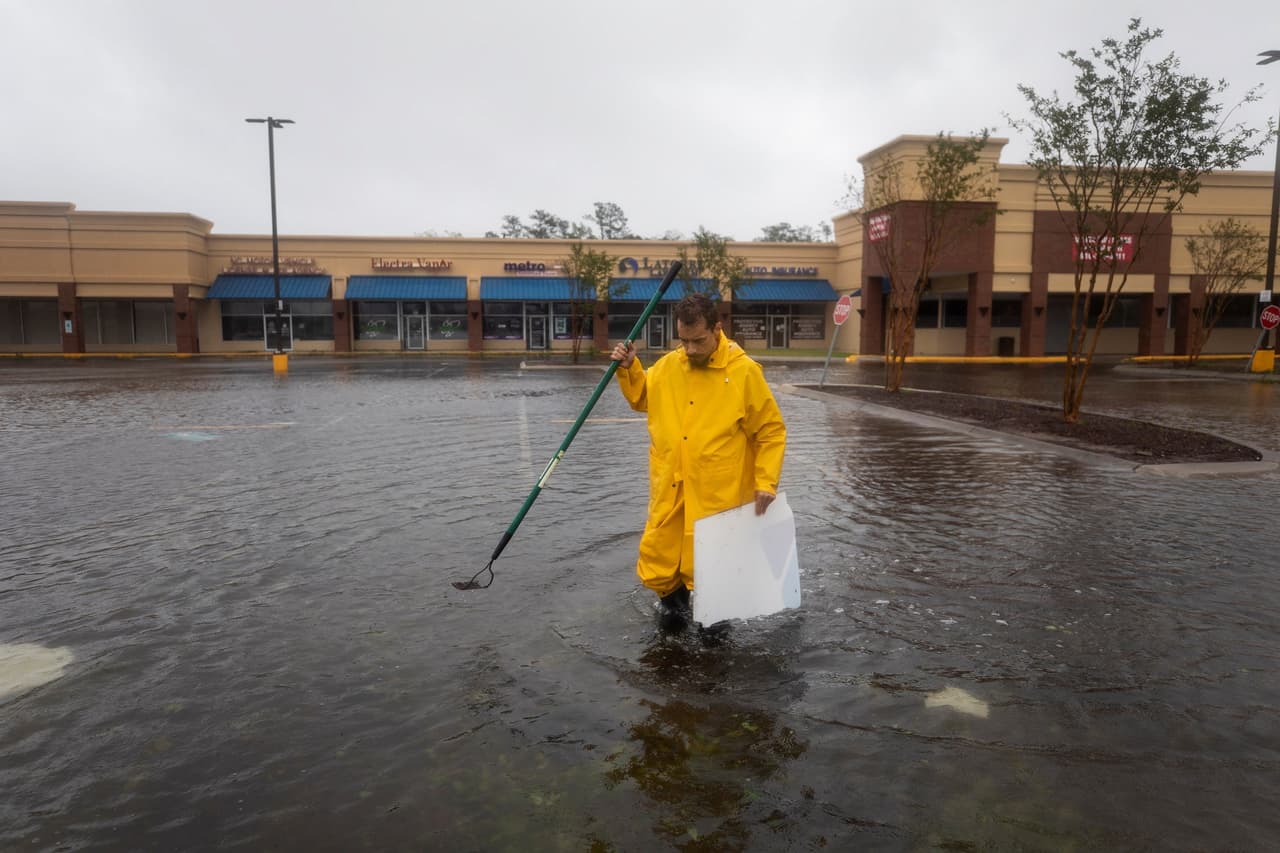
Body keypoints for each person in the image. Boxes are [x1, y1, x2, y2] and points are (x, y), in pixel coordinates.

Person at [611, 292, 787, 631]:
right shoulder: (669, 366)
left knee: (713, 574)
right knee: (661, 562)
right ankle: (672, 615)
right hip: (671, 488)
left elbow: (770, 431)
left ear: (717, 329)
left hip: (716, 495)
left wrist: (766, 481)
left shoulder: (743, 372)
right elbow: (644, 397)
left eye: (698, 341)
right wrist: (630, 368)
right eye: (684, 341)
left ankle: (714, 635)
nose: (690, 349)